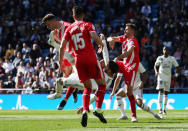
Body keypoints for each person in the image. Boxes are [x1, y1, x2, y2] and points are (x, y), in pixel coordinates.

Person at [60, 6, 107, 127]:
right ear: (83, 15)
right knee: (102, 84)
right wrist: (101, 44)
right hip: (90, 58)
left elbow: (61, 47)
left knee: (87, 87)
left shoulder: (69, 29)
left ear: (73, 16)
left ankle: (85, 110)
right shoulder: (87, 25)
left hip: (78, 60)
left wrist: (61, 62)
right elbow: (94, 36)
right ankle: (97, 109)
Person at [48, 34, 117, 114]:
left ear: (110, 71)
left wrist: (84, 107)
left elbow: (95, 96)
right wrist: (103, 41)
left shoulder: (105, 82)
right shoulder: (107, 78)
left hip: (81, 80)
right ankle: (53, 43)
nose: (105, 66)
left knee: (59, 80)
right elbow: (105, 55)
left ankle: (58, 94)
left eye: (107, 67)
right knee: (71, 59)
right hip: (83, 74)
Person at [42, 13, 78, 105]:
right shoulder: (55, 31)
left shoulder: (68, 27)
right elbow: (63, 46)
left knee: (77, 80)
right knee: (65, 78)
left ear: (53, 21)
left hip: (78, 56)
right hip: (69, 56)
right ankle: (64, 94)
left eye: (48, 25)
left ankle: (70, 95)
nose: (48, 27)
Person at [108, 23, 139, 122]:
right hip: (124, 65)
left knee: (129, 92)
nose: (124, 31)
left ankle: (134, 116)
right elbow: (111, 38)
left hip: (131, 68)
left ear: (132, 32)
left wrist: (118, 57)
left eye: (127, 30)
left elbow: (129, 52)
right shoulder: (124, 38)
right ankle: (106, 80)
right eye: (125, 29)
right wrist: (111, 41)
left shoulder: (132, 41)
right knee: (109, 63)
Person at [154, 46, 179, 114]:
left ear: (169, 51)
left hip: (168, 77)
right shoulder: (160, 58)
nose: (165, 51)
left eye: (167, 50)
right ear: (162, 50)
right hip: (161, 77)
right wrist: (156, 72)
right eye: (164, 49)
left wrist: (176, 73)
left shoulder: (172, 58)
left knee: (166, 92)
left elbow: (177, 66)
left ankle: (164, 109)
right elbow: (155, 66)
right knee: (160, 90)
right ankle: (160, 108)